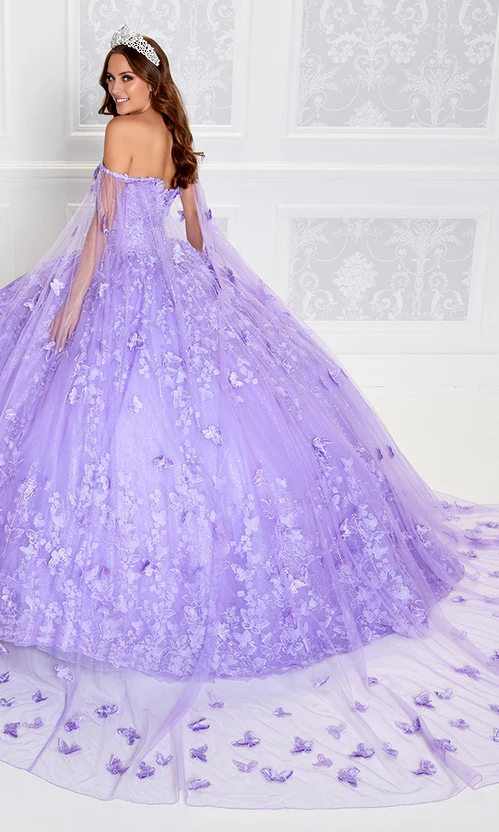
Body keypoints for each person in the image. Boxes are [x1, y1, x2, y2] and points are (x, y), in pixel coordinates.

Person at [0, 24, 498, 810]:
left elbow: (101, 229)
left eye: (126, 78)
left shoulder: (123, 135)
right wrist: (208, 293)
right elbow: (195, 231)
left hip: (124, 281)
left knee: (91, 416)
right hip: (168, 277)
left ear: (149, 81)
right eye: (110, 81)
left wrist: (71, 304)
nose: (116, 92)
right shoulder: (174, 135)